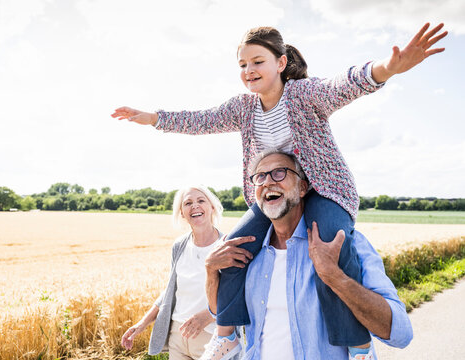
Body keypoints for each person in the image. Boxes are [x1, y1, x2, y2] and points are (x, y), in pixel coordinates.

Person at [112, 23, 445, 358]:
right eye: (243, 65)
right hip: (273, 195)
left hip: (325, 192)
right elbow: (202, 119)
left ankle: (356, 345)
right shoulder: (243, 109)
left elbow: (344, 85)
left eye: (257, 61)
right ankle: (227, 335)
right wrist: (153, 118)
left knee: (330, 249)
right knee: (230, 250)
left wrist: (388, 68)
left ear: (281, 63)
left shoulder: (303, 95)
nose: (249, 70)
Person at [204, 149, 413, 359]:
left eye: (279, 172)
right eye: (260, 176)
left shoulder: (342, 243)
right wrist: (211, 271)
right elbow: (219, 311)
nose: (268, 182)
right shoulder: (245, 253)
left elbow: (400, 334)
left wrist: (336, 277)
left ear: (303, 187)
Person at [121, 186, 232, 359]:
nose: (195, 206)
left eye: (201, 200)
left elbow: (238, 295)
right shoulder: (179, 245)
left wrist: (209, 315)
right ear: (182, 212)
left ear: (212, 207)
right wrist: (142, 324)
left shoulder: (227, 246)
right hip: (178, 336)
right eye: (188, 203)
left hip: (213, 336)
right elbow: (170, 291)